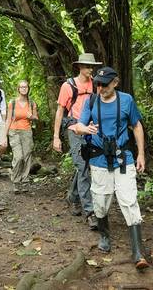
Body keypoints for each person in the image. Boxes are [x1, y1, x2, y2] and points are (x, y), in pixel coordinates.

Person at [72, 66, 149, 269]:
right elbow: (78, 126)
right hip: (98, 160)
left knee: (129, 200)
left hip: (123, 158)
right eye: (98, 84)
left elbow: (137, 126)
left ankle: (138, 251)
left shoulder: (126, 100)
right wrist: (84, 128)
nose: (101, 87)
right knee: (101, 201)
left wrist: (141, 154)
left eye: (105, 85)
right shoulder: (92, 100)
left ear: (115, 83)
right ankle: (105, 235)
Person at [53, 52, 102, 230]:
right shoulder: (68, 86)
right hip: (74, 130)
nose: (91, 69)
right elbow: (60, 111)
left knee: (84, 166)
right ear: (80, 67)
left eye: (92, 67)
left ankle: (73, 197)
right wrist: (56, 137)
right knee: (82, 167)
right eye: (88, 67)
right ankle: (90, 212)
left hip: (91, 130)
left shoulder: (95, 84)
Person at [0, 80, 38, 193]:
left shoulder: (32, 103)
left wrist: (31, 116)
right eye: (21, 87)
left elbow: (36, 118)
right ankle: (16, 181)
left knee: (27, 156)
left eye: (25, 87)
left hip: (27, 131)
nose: (24, 89)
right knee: (19, 156)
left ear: (28, 88)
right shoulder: (13, 102)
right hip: (14, 131)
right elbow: (8, 120)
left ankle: (24, 180)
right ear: (18, 89)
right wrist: (4, 136)